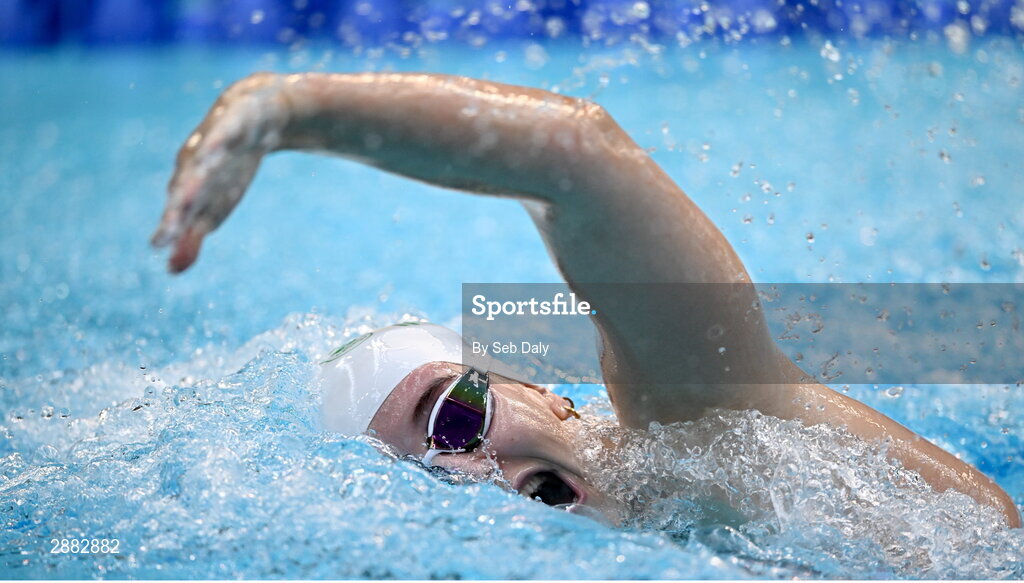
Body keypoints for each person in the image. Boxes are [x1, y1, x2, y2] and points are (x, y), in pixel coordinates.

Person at [150, 72, 1020, 528]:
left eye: (451, 420)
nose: (458, 469)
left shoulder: (697, 419)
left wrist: (288, 110)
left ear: (537, 385)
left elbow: (578, 153)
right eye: (417, 481)